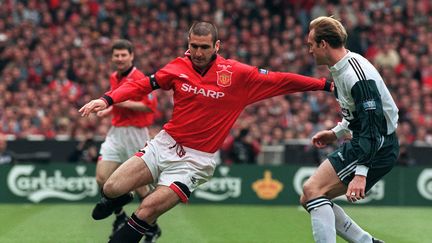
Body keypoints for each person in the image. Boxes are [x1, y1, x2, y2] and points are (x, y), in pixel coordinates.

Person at [79, 21, 332, 243]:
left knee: (147, 209)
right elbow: (143, 85)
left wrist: (325, 85)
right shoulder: (178, 67)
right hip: (164, 144)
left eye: (204, 47)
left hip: (195, 160)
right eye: (194, 46)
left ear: (217, 46)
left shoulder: (237, 74)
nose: (198, 53)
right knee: (111, 187)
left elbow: (282, 80)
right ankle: (117, 198)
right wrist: (107, 99)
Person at [300, 16, 399, 243]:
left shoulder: (355, 76)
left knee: (313, 190)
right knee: (309, 196)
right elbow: (357, 116)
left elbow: (373, 128)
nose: (309, 50)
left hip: (377, 146)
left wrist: (361, 174)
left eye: (311, 45)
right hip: (366, 140)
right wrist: (335, 133)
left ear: (323, 44)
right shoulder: (341, 67)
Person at [91, 39, 160, 242]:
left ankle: (152, 228)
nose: (120, 58)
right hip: (116, 132)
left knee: (140, 188)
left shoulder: (140, 77)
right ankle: (120, 217)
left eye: (123, 55)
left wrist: (121, 102)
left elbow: (149, 106)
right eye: (116, 55)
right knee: (102, 179)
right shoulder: (114, 76)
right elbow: (119, 101)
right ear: (112, 57)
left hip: (135, 133)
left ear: (131, 56)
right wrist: (109, 109)